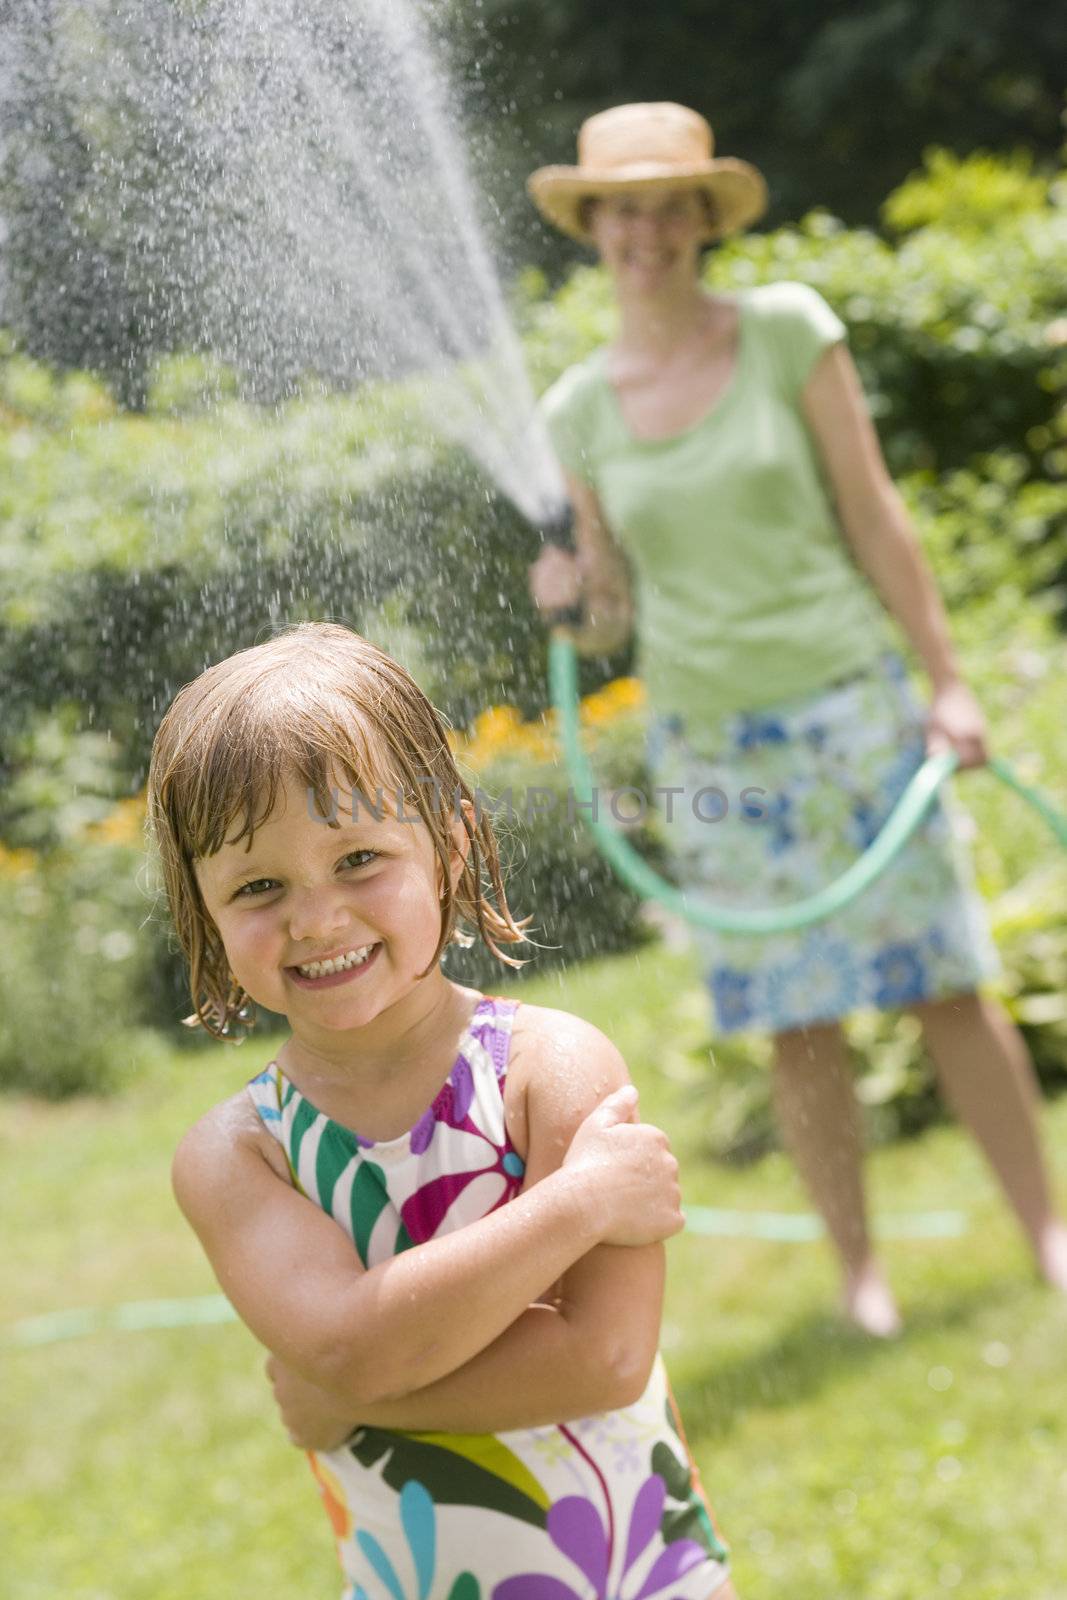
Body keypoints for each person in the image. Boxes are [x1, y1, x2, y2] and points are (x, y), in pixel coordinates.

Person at [527, 101, 1067, 1337]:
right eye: (624, 206)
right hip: (710, 743)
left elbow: (874, 516)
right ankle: (858, 1277)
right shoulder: (578, 413)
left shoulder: (782, 334)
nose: (647, 229)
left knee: (947, 980)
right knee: (793, 1019)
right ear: (593, 225)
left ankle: (1043, 1234)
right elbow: (603, 608)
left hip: (851, 704)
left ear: (704, 218)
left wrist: (944, 680)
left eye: (672, 204)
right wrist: (565, 595)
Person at [148, 621, 738, 1600]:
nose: (315, 917)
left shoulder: (544, 1071)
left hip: (642, 1579)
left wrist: (344, 1397)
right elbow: (343, 1340)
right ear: (201, 910)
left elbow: (603, 1356)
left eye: (358, 859)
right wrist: (579, 1204)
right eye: (257, 885)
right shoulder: (239, 1155)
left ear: (448, 846)